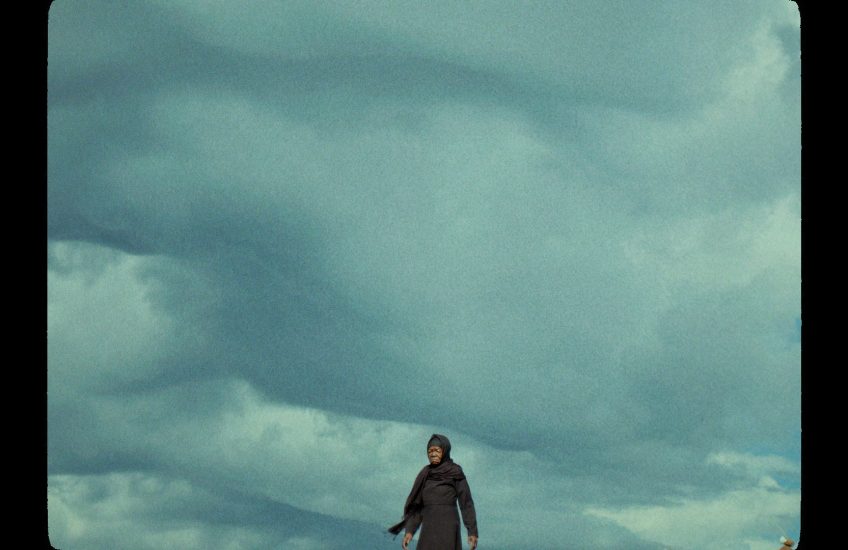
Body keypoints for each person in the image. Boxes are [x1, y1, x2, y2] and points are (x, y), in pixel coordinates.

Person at [388, 434, 478, 550]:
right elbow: (417, 507)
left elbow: (466, 504)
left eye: (437, 450)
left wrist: (472, 531)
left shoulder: (455, 472)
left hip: (448, 525)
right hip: (429, 526)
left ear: (445, 451)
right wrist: (409, 532)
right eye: (430, 451)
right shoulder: (425, 474)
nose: (433, 454)